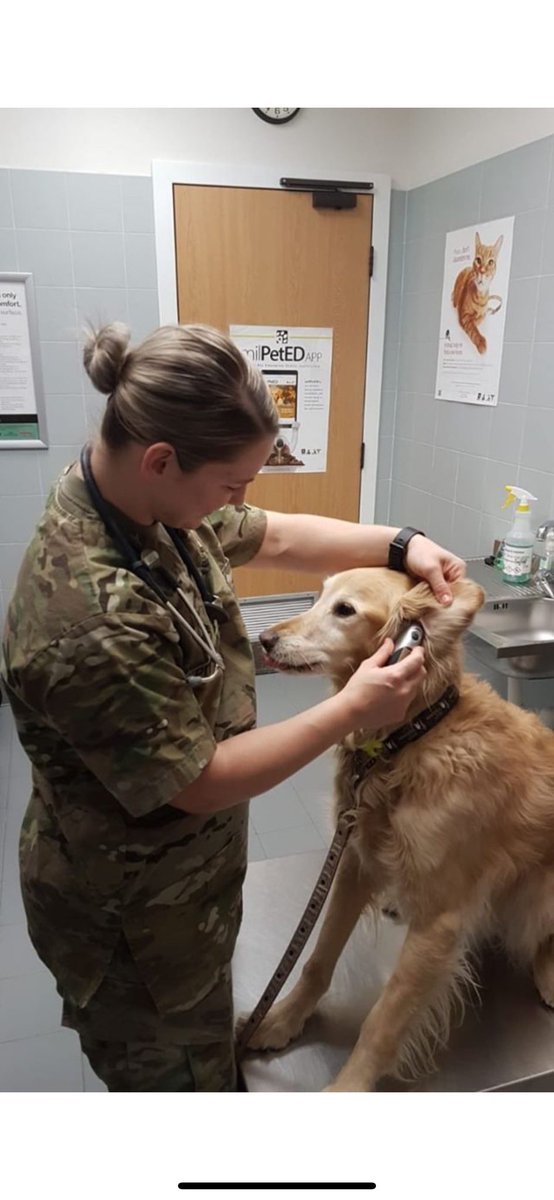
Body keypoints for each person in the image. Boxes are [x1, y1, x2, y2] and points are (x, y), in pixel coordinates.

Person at [1, 323, 465, 1093]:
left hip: (189, 884)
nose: (240, 502)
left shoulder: (140, 499)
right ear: (161, 460)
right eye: (231, 484)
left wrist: (400, 543)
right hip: (133, 919)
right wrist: (355, 709)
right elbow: (201, 781)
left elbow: (276, 536)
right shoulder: (85, 615)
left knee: (207, 1043)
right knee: (184, 1093)